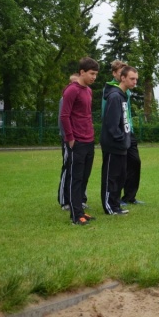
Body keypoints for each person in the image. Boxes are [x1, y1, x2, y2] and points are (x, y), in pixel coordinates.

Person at [60, 57, 99, 226]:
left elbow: (86, 115)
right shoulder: (72, 90)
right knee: (75, 178)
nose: (94, 77)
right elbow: (64, 116)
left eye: (96, 74)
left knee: (84, 177)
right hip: (77, 142)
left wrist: (91, 134)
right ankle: (75, 215)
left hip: (89, 140)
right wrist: (70, 138)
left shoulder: (88, 91)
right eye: (91, 73)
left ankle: (80, 210)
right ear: (82, 72)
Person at [102, 60, 143, 206]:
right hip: (117, 135)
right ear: (116, 74)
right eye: (121, 73)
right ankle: (114, 199)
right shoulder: (112, 93)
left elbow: (126, 112)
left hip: (128, 131)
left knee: (135, 162)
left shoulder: (126, 92)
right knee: (118, 168)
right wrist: (118, 135)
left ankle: (129, 196)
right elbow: (108, 117)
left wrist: (129, 129)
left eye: (135, 79)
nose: (134, 81)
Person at [58, 73, 79, 211]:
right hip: (68, 139)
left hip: (79, 138)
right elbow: (62, 118)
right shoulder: (65, 98)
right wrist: (68, 137)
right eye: (73, 82)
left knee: (79, 170)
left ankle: (79, 199)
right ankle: (64, 200)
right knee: (68, 167)